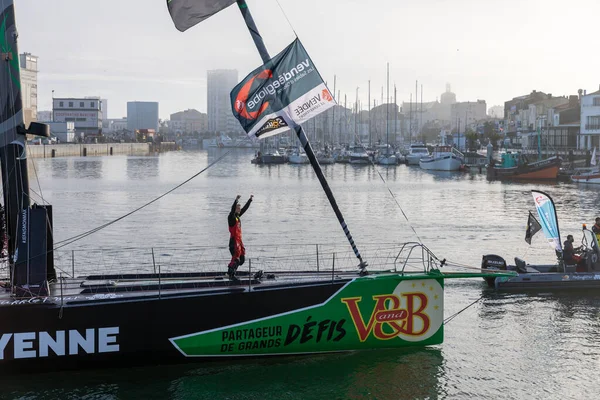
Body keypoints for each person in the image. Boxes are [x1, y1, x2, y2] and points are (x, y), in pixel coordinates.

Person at [227, 194, 253, 280]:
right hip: (233, 242)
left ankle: (231, 271)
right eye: (237, 208)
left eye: (239, 209)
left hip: (239, 241)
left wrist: (250, 200)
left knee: (242, 259)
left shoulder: (238, 217)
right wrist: (236, 200)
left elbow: (244, 209)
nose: (239, 210)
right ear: (234, 209)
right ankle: (231, 275)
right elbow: (231, 211)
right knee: (236, 259)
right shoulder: (231, 218)